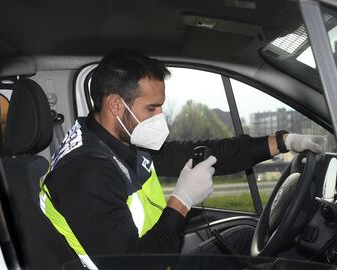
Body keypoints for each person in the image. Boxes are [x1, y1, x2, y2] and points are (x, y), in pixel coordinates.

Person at [39, 49, 326, 269]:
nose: (159, 118)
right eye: (152, 108)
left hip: (161, 254)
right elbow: (133, 265)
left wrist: (283, 141)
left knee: (243, 238)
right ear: (116, 104)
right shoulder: (85, 173)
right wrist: (183, 200)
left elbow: (204, 152)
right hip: (147, 263)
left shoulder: (121, 140)